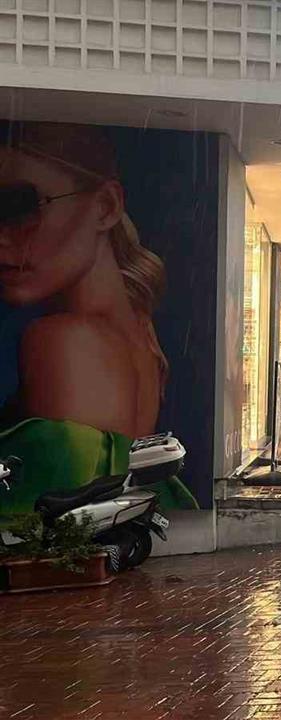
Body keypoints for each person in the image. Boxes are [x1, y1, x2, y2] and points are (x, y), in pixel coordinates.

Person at [0, 120, 196, 512]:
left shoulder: (63, 341)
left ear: (105, 207)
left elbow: (51, 526)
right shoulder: (141, 331)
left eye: (19, 206)